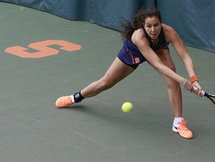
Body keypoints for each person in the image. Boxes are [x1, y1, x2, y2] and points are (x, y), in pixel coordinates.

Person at [55, 8, 202, 139]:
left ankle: (178, 123)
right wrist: (184, 81)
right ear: (143, 26)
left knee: (172, 80)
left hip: (158, 49)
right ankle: (76, 97)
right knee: (104, 83)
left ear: (161, 23)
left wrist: (194, 80)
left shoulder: (168, 32)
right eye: (148, 26)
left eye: (156, 25)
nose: (153, 30)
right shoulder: (139, 37)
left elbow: (185, 56)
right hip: (133, 53)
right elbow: (157, 64)